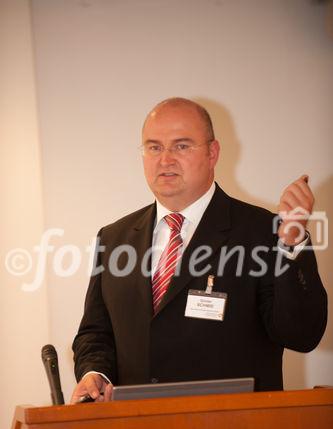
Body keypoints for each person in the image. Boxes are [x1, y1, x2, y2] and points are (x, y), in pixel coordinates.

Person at [71, 97, 327, 403]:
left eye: (181, 146)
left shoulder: (263, 231)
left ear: (212, 153)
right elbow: (95, 334)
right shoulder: (113, 239)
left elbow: (301, 334)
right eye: (154, 147)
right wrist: (95, 374)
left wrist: (292, 242)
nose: (164, 159)